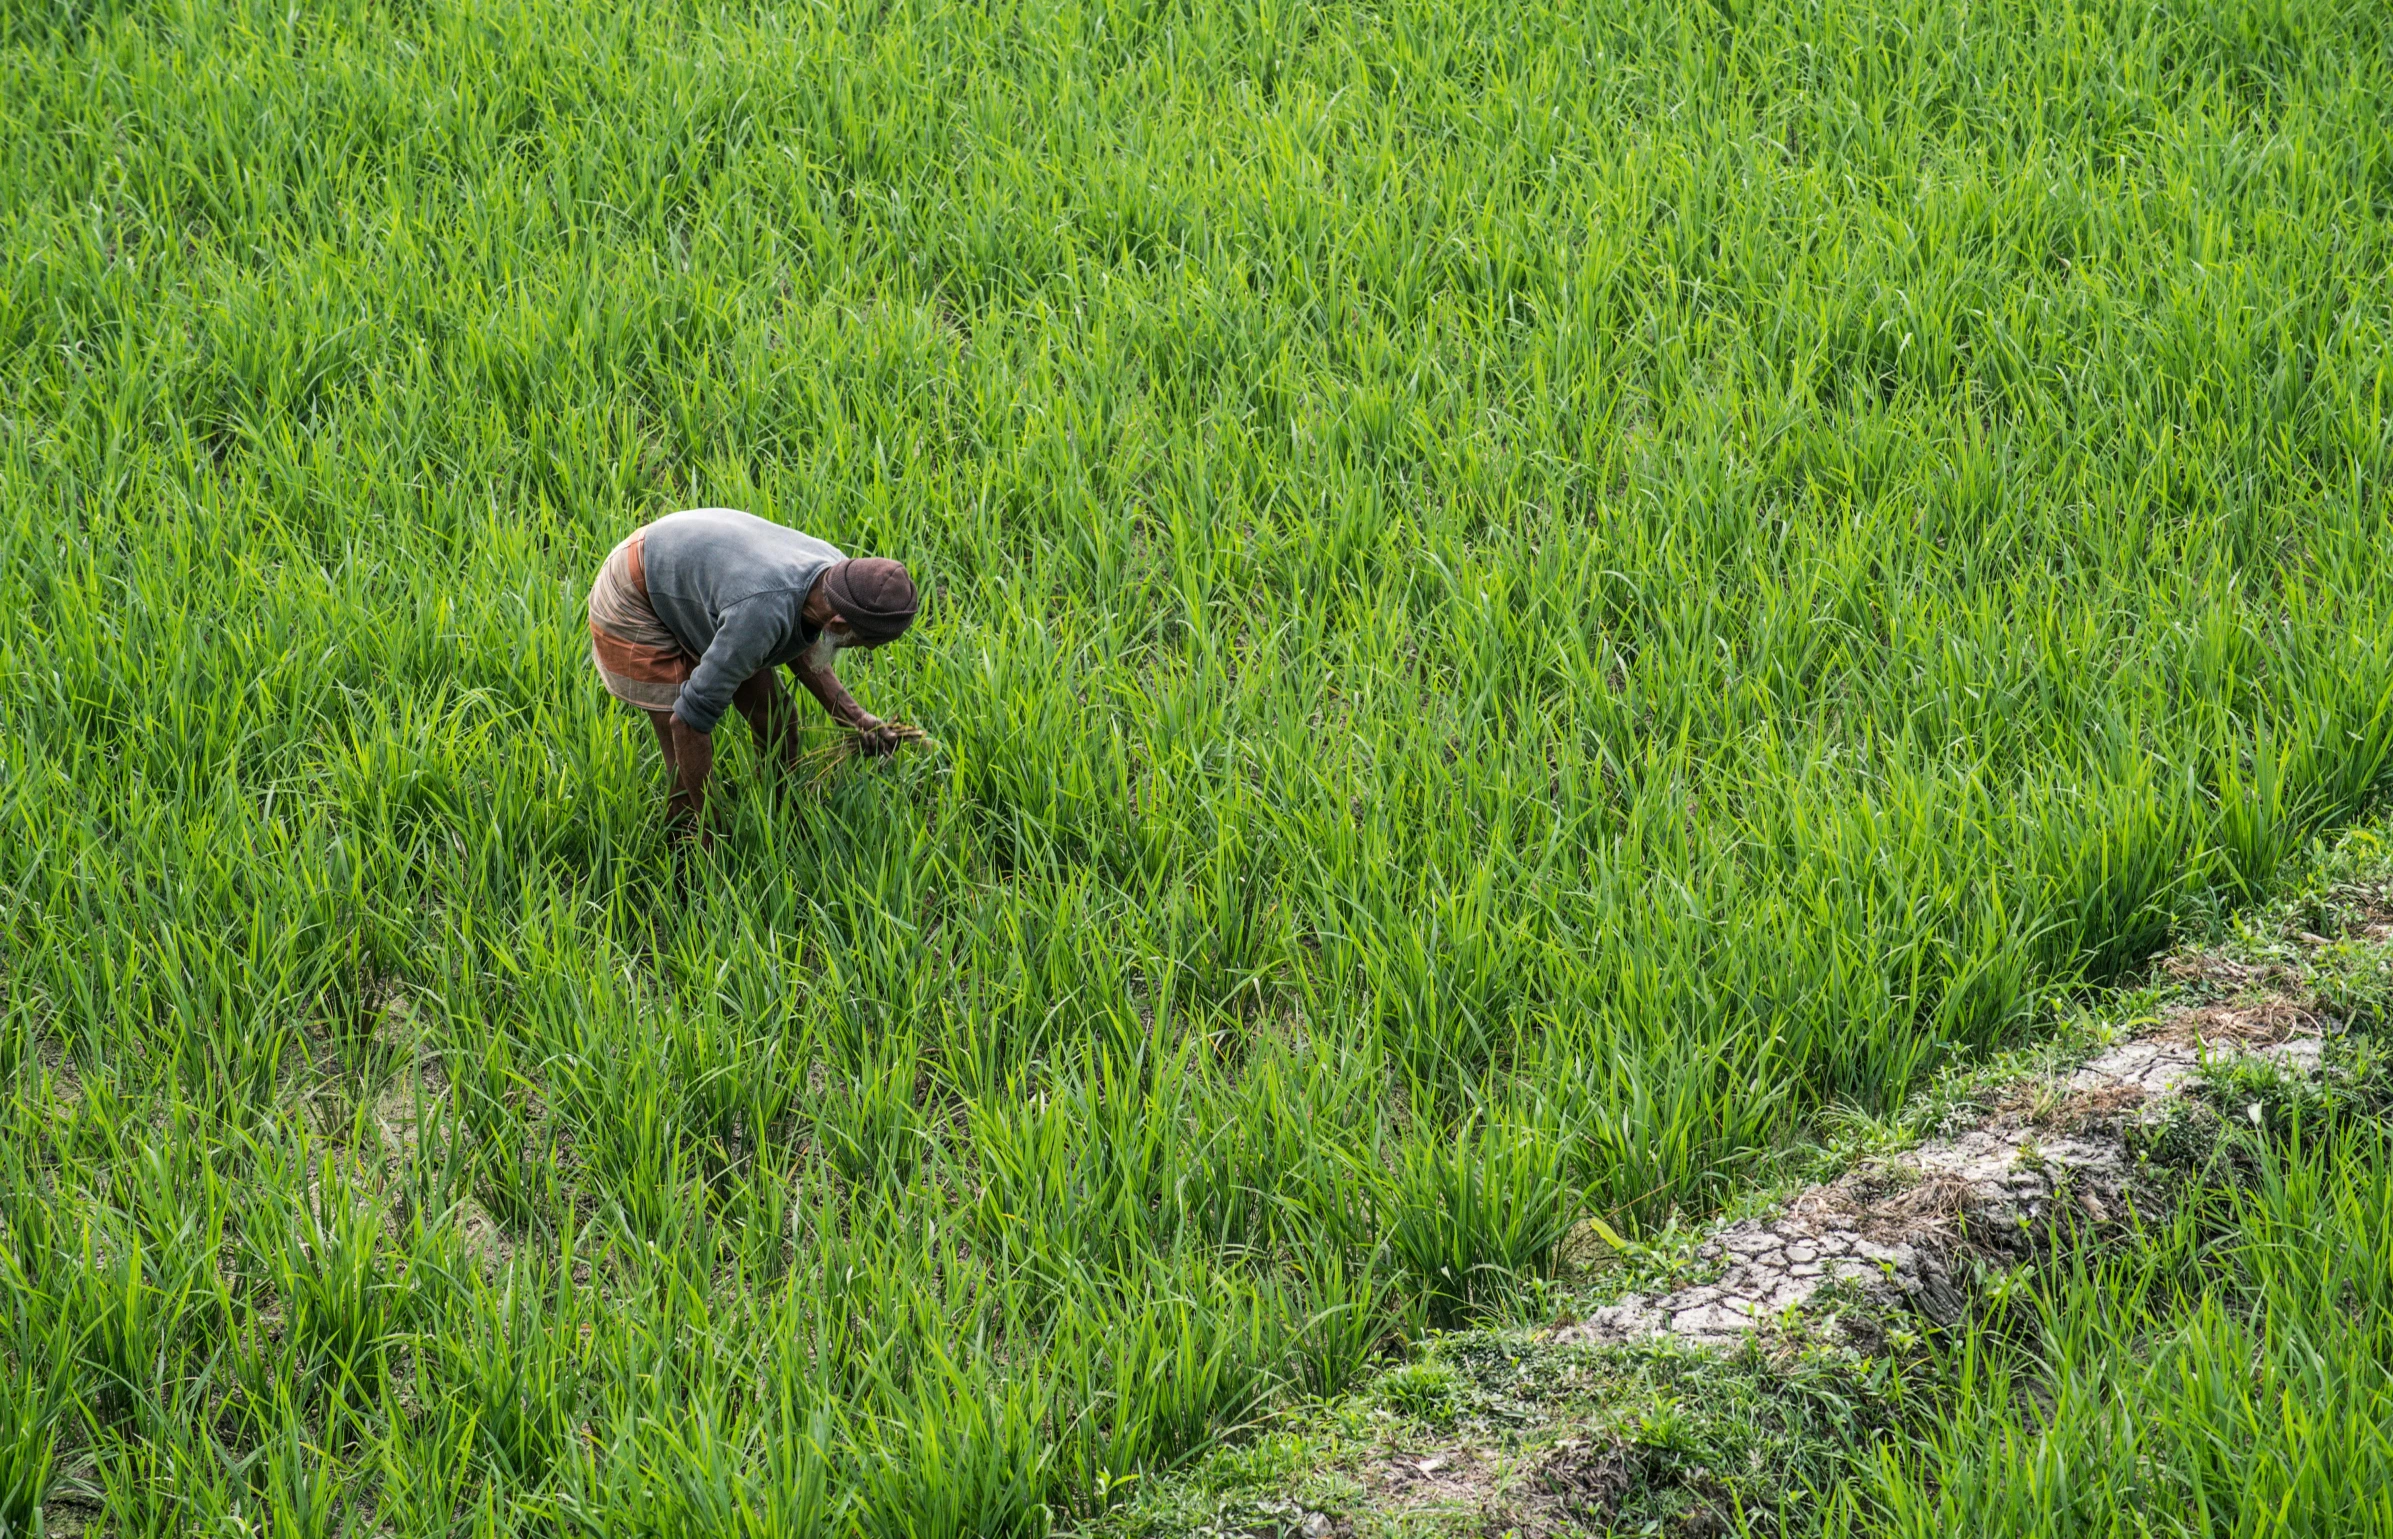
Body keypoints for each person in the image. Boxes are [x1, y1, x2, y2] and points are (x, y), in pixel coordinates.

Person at [586, 507, 918, 836]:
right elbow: (688, 722)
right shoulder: (760, 615)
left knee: (776, 718)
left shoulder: (840, 580)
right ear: (840, 623)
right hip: (633, 591)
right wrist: (713, 826)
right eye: (870, 642)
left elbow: (801, 638)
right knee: (683, 775)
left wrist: (855, 718)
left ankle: (782, 815)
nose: (871, 649)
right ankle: (688, 842)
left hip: (702, 572)